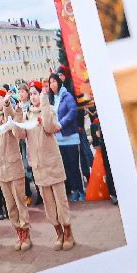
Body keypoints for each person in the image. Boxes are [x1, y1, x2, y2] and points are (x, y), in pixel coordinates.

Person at [23, 81, 73, 250]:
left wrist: (44, 102)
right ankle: (58, 232)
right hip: (38, 166)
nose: (33, 97)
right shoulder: (27, 114)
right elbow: (20, 134)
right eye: (31, 94)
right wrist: (16, 115)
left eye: (36, 93)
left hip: (52, 163)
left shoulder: (49, 109)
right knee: (48, 203)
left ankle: (68, 232)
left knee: (60, 200)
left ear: (42, 94)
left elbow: (50, 127)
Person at [0, 87, 31, 250]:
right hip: (0, 169)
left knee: (20, 202)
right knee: (10, 205)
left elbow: (14, 124)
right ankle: (19, 233)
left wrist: (7, 105)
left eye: (0, 98)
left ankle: (26, 233)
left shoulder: (10, 114)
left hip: (14, 167)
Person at [50, 73, 83, 201]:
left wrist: (61, 123)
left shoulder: (66, 95)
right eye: (50, 82)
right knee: (67, 167)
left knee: (75, 166)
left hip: (70, 137)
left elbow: (72, 111)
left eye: (54, 81)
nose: (52, 84)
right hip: (59, 139)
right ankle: (74, 190)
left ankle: (81, 190)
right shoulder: (52, 99)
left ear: (59, 82)